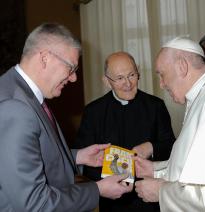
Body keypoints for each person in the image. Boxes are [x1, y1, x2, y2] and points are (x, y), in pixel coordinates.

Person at [0, 23, 133, 212]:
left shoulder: (21, 93)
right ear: (45, 58)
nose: (73, 79)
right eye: (71, 68)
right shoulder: (15, 108)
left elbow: (28, 156)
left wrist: (78, 156)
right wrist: (97, 189)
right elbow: (35, 204)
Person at [134, 37, 205, 211]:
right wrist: (155, 171)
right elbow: (197, 168)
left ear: (182, 66)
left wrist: (161, 192)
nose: (161, 84)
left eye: (161, 74)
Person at [74, 51, 175, 212]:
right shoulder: (94, 112)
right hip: (112, 202)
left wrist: (151, 147)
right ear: (107, 81)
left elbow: (172, 147)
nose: (127, 83)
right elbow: (83, 158)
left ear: (139, 73)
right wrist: (106, 179)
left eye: (132, 75)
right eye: (120, 78)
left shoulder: (156, 106)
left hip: (150, 199)